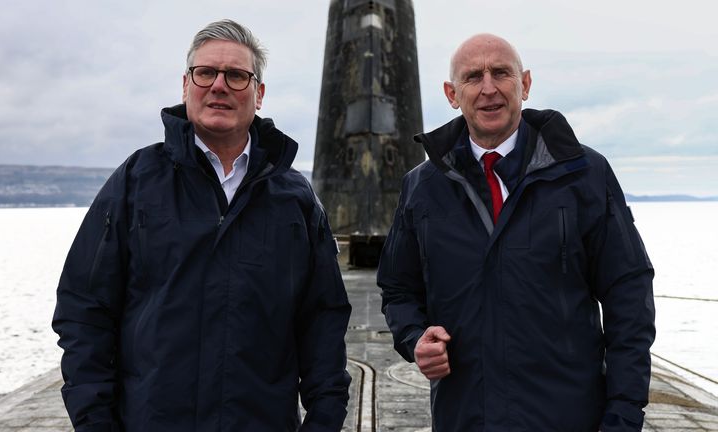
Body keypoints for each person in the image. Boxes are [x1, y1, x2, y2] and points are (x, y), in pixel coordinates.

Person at [52, 19, 351, 432]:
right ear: (186, 85)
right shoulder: (136, 181)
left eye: (237, 75)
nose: (219, 86)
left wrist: (323, 421)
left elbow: (322, 320)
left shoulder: (295, 199)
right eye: (206, 72)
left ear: (259, 94)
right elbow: (84, 310)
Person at [377, 33, 655, 431]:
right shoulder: (422, 187)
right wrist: (415, 337)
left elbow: (628, 293)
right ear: (452, 94)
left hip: (568, 417)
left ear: (524, 83)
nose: (489, 88)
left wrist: (625, 412)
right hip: (465, 417)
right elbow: (398, 287)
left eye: (501, 73)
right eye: (473, 77)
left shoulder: (583, 174)